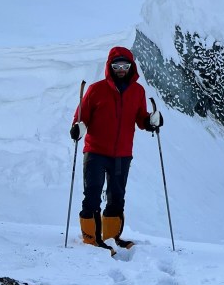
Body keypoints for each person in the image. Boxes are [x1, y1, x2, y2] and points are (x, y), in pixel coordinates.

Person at [69, 46, 162, 249]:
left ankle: (112, 238)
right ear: (110, 67)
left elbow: (140, 119)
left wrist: (151, 122)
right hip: (95, 151)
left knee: (117, 195)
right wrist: (77, 128)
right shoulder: (96, 89)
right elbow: (81, 115)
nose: (121, 69)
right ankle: (91, 238)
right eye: (116, 65)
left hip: (122, 154)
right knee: (92, 193)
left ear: (131, 67)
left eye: (125, 65)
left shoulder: (138, 91)